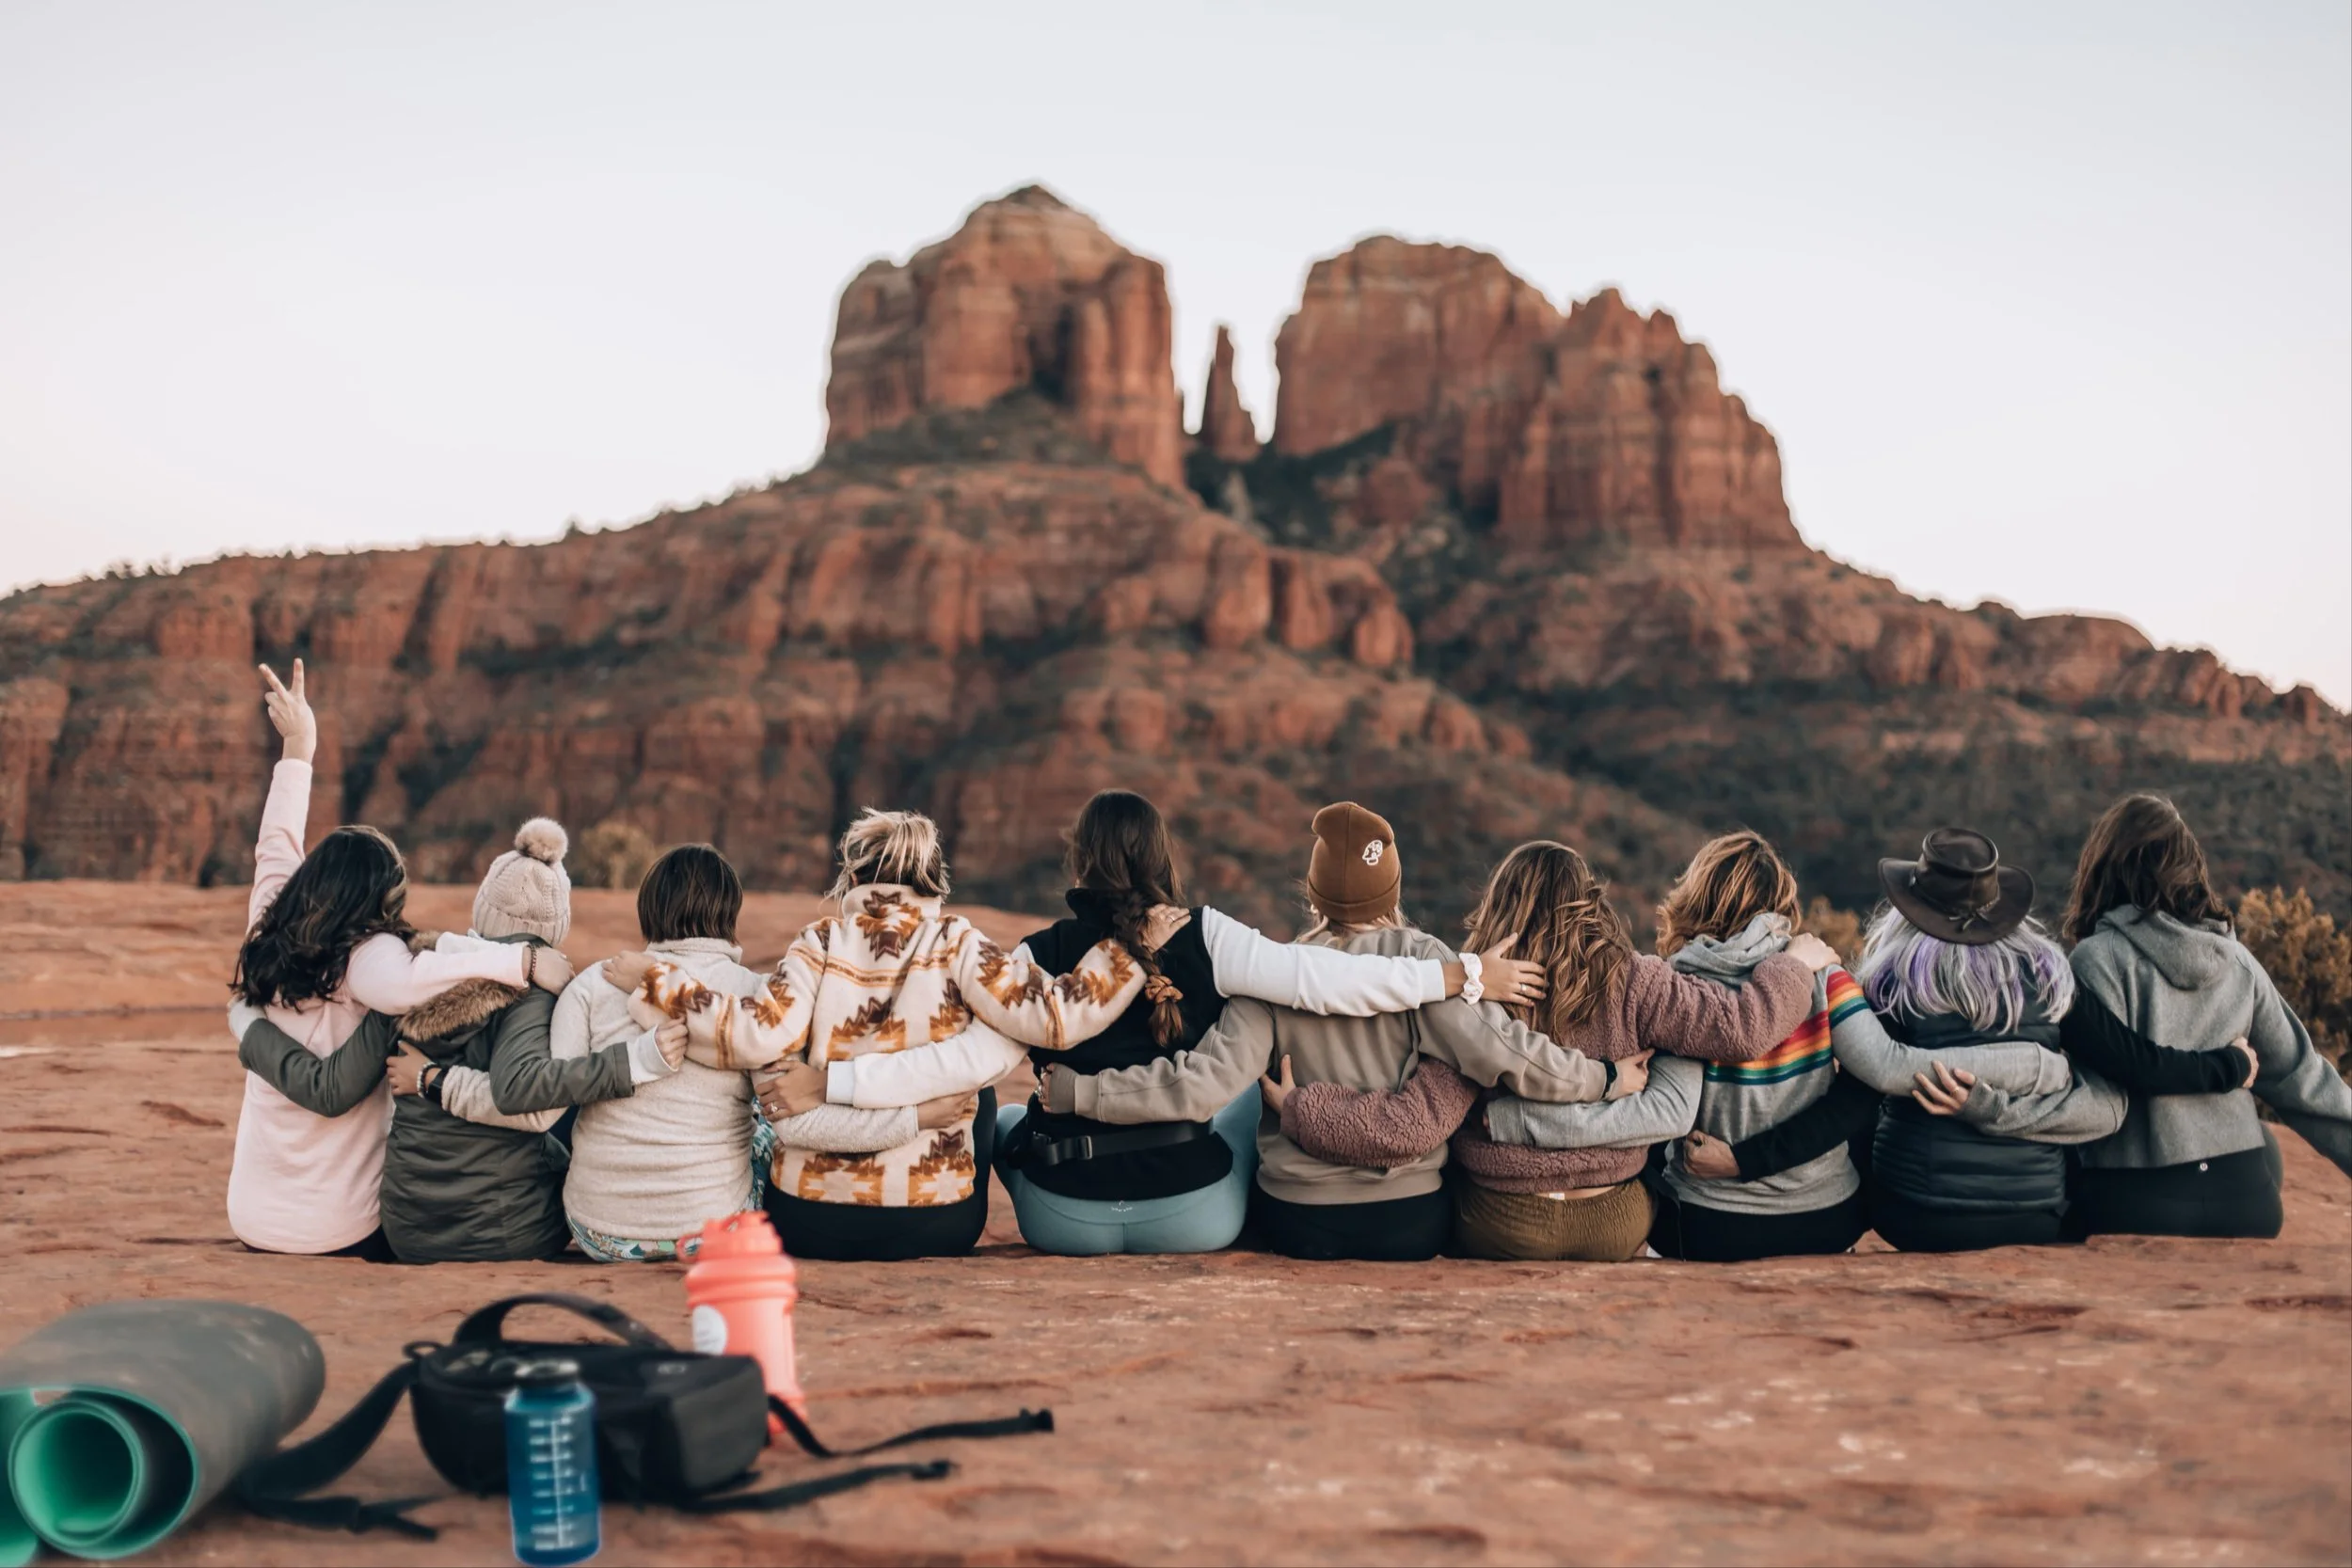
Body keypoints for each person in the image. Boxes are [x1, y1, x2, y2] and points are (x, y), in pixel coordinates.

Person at [753, 793, 1547, 1257]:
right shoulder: (1214, 937)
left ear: (1077, 862)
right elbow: (1325, 979)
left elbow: (970, 1063)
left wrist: (837, 1079)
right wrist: (1463, 973)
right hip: (1197, 1215)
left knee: (1003, 1104)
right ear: (1163, 857)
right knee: (1236, 1094)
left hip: (1058, 1219)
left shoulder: (1037, 955)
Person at [1477, 831, 2189, 1262]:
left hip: (1705, 1228)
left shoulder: (1675, 981)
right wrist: (2037, 1066)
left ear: (1692, 900)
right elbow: (1872, 1080)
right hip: (1832, 1219)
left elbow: (1676, 1107)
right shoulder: (1828, 973)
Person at [1024, 800, 1614, 1260]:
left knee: (1240, 1103)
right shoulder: (1430, 966)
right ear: (1395, 888)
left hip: (1298, 1220)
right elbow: (1508, 1055)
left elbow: (1200, 1084)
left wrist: (1083, 1091)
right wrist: (1604, 1077)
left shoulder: (1275, 981)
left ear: (1312, 891)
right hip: (1409, 1221)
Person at [608, 808, 1157, 1260]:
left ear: (852, 879)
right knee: (982, 1095)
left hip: (808, 1223)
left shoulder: (819, 942)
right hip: (936, 1224)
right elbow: (1054, 1018)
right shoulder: (957, 941)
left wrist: (661, 983)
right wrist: (1126, 950)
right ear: (934, 881)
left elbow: (754, 1036)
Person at [1268, 840, 1840, 1262]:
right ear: (1589, 904)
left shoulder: (1477, 995)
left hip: (1499, 1222)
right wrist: (1792, 966)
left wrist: (1303, 1108)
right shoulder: (1638, 980)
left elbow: (1413, 1124)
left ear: (1497, 906)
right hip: (1612, 1221)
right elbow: (1738, 1029)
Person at [420, 842, 973, 1261]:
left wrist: (436, 1081)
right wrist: (912, 1118)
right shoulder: (756, 998)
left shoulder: (593, 984)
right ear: (729, 913)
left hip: (599, 1235)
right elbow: (796, 1125)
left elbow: (541, 1106)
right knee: (762, 1122)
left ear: (648, 910)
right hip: (714, 1235)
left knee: (580, 1101)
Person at [223, 660, 574, 1259]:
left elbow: (275, 841)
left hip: (251, 1216)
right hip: (340, 1229)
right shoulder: (367, 957)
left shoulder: (269, 920)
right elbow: (410, 985)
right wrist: (521, 966)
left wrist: (299, 749)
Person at [2059, 794, 2352, 1236]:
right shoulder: (2237, 960)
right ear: (2190, 871)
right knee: (2267, 1145)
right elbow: (2304, 1081)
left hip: (2138, 1205)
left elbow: (2094, 1101)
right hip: (2246, 1202)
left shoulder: (2095, 960)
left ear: (2103, 868)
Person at [1852, 829, 2130, 1252]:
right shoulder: (2050, 977)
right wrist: (2049, 1069)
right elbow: (2114, 1090)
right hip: (2034, 1215)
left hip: (1915, 1217)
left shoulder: (1891, 984)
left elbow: (1858, 1098)